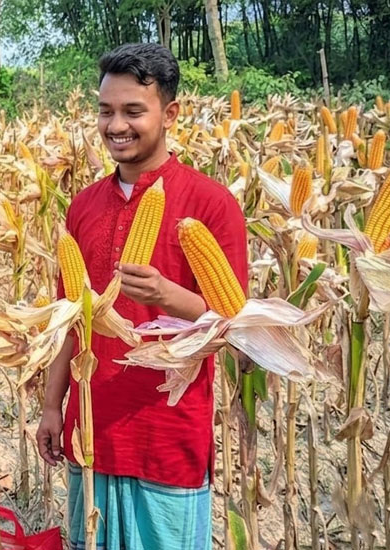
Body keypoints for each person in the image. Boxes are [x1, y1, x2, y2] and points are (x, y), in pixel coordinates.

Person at [35, 43, 248, 550]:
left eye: (133, 111)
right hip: (91, 428)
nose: (115, 125)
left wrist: (168, 295)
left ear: (170, 113)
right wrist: (50, 406)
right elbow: (70, 318)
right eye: (106, 111)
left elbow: (238, 328)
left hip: (167, 436)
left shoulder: (211, 204)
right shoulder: (84, 206)